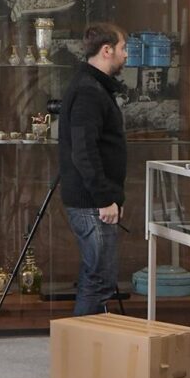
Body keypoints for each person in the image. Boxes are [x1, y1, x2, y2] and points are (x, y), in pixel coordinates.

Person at [58, 23, 129, 316]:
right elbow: (84, 151)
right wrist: (104, 198)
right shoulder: (89, 91)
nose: (126, 55)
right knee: (99, 280)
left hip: (95, 199)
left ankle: (88, 341)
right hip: (92, 202)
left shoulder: (94, 86)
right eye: (123, 48)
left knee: (98, 278)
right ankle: (85, 343)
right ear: (106, 50)